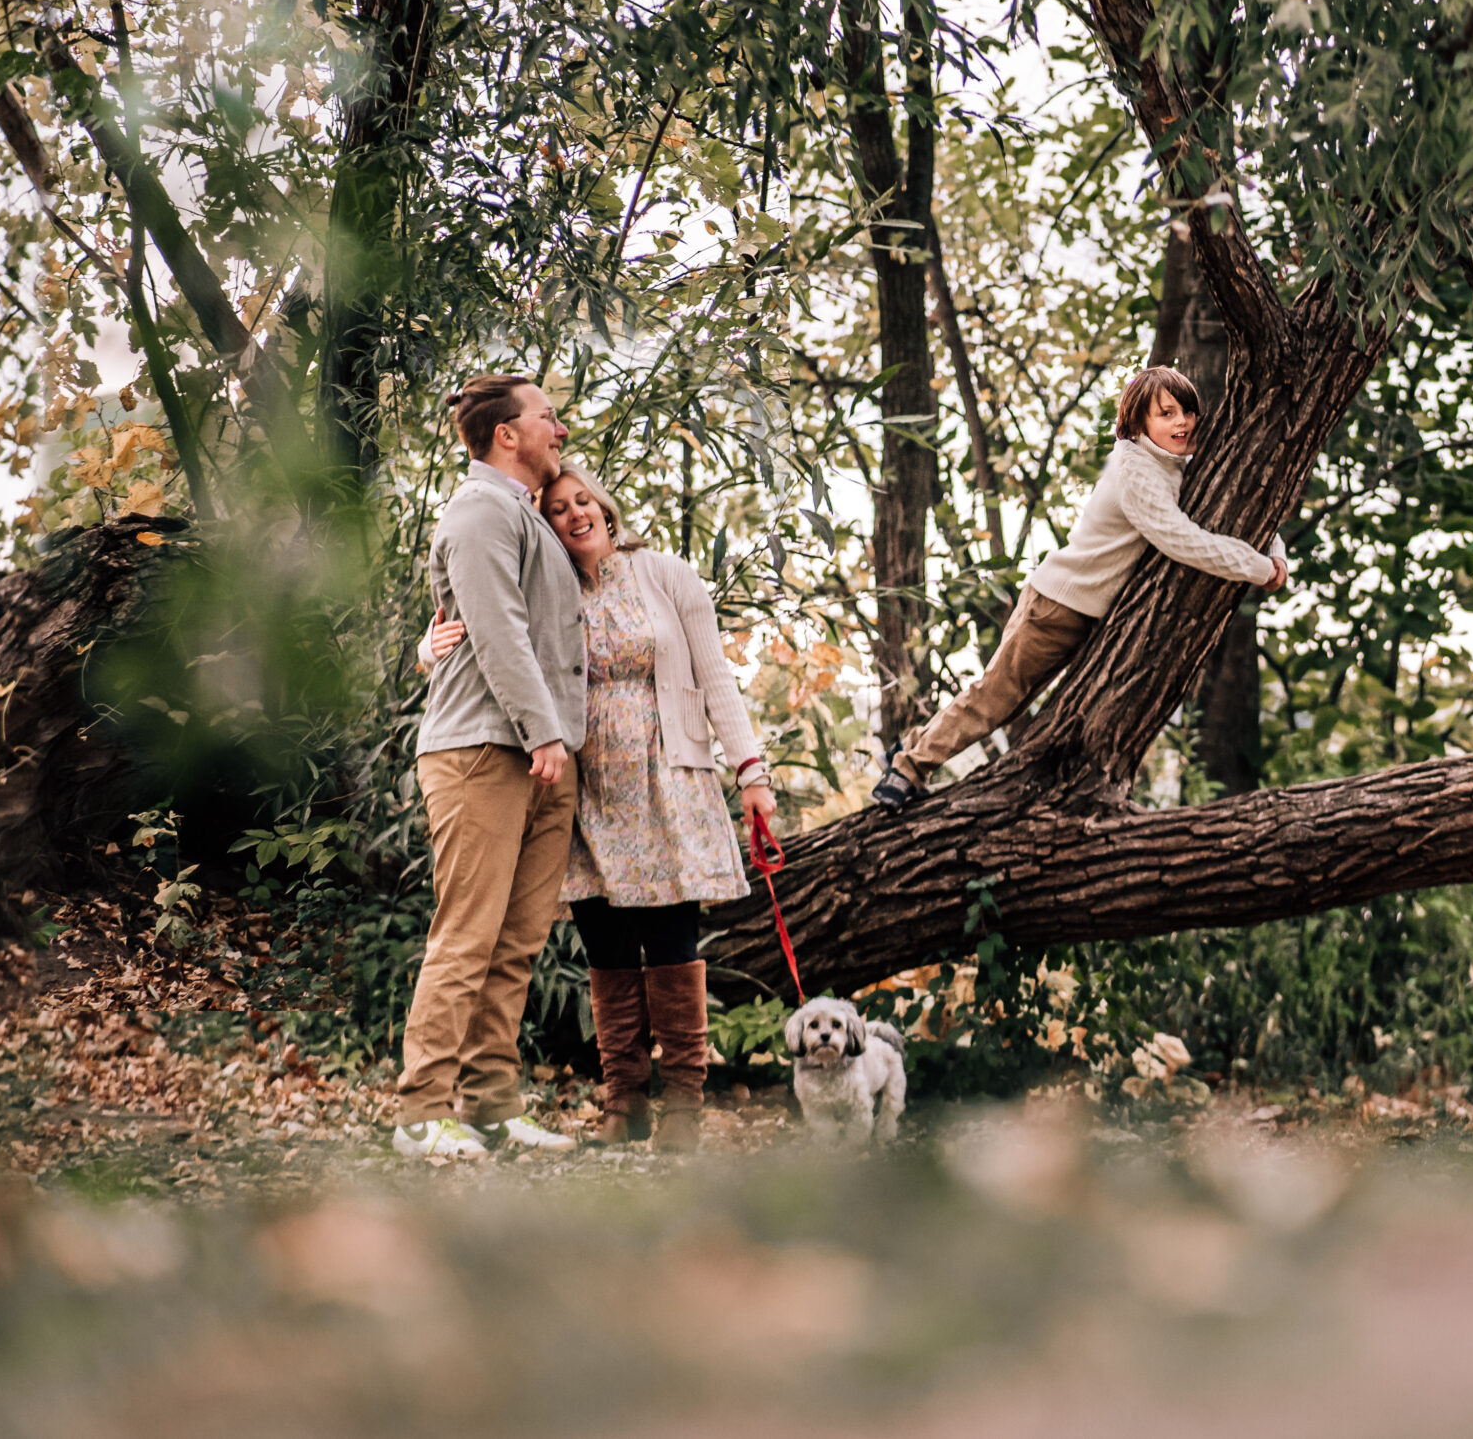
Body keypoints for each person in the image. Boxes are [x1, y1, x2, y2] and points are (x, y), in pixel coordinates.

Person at [427, 464, 773, 1151]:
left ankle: (682, 1107)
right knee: (606, 946)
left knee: (673, 942)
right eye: (557, 509)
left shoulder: (666, 574)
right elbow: (481, 632)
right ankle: (623, 1102)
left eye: (583, 500)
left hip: (668, 782)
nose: (574, 514)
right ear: (545, 528)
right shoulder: (545, 588)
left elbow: (715, 675)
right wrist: (424, 645)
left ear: (606, 508)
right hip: (582, 789)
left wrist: (752, 770)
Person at [869, 365, 1289, 811]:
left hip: (1087, 613)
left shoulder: (1175, 462)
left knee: (1007, 699)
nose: (1182, 422)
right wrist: (1259, 568)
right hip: (1056, 607)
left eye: (1188, 411)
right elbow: (1182, 539)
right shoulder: (1136, 468)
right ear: (1138, 421)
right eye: (1166, 413)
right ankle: (908, 769)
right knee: (996, 698)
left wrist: (1275, 551)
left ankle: (912, 747)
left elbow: (1244, 505)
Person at [394, 375, 587, 1161]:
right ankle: (420, 1112)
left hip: (541, 753)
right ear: (508, 434)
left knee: (515, 943)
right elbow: (499, 630)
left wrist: (556, 740)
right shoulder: (477, 511)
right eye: (547, 417)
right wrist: (543, 730)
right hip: (484, 750)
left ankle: (490, 1105)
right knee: (467, 937)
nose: (560, 429)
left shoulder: (521, 516)